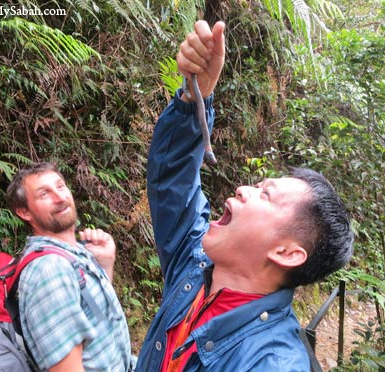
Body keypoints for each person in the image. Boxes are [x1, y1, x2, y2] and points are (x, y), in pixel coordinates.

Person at [136, 20, 354, 371]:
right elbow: (172, 186)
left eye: (266, 196)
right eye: (258, 185)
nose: (244, 188)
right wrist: (196, 95)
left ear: (286, 252)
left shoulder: (270, 364)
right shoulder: (194, 271)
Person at [6, 162, 133, 372]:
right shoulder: (50, 270)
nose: (60, 197)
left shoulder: (71, 253)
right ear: (24, 212)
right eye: (44, 194)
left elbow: (96, 319)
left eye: (60, 186)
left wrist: (105, 264)